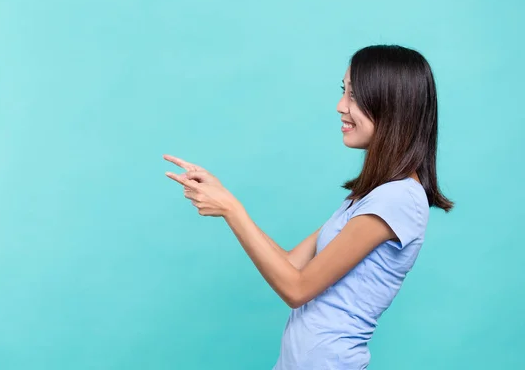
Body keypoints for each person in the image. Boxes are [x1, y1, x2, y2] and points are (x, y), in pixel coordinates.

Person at [163, 44, 453, 369]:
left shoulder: (398, 199)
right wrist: (227, 201)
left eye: (355, 96)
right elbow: (292, 266)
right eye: (344, 92)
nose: (340, 106)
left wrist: (231, 209)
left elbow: (297, 289)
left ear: (390, 104)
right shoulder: (370, 196)